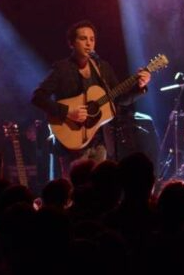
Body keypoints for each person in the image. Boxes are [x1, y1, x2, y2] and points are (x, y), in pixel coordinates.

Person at [31, 20, 151, 176]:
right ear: (71, 44)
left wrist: (139, 87)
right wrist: (68, 111)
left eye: (92, 39)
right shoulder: (62, 69)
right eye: (83, 39)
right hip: (72, 144)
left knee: (98, 189)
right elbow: (38, 97)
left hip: (99, 142)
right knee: (76, 191)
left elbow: (118, 99)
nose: (89, 43)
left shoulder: (102, 67)